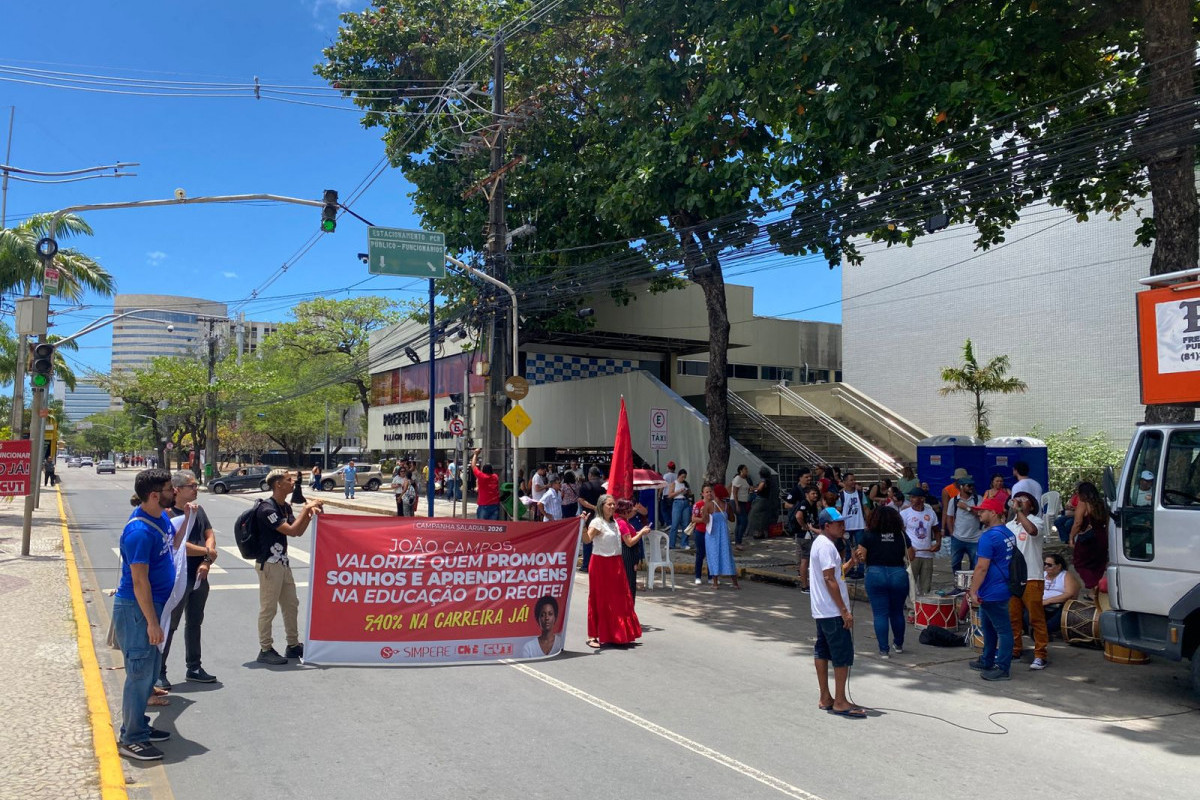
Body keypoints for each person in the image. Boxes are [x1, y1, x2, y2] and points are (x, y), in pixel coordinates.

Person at [113, 468, 188, 761]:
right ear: (155, 495)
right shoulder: (139, 532)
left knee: (149, 674)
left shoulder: (161, 520)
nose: (175, 492)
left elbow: (172, 544)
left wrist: (189, 520)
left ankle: (139, 727)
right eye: (171, 489)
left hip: (157, 606)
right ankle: (130, 738)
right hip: (139, 610)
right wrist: (153, 623)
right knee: (139, 673)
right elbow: (139, 581)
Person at [255, 469, 323, 665]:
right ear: (278, 484)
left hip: (283, 563)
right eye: (288, 479)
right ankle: (265, 648)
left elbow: (298, 531)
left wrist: (309, 513)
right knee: (269, 608)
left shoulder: (284, 506)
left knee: (291, 604)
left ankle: (292, 645)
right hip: (269, 564)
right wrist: (305, 508)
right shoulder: (267, 509)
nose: (292, 482)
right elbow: (290, 530)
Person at [158, 471, 218, 691]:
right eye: (192, 486)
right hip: (176, 578)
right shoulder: (168, 513)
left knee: (195, 622)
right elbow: (179, 545)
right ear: (177, 489)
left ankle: (194, 667)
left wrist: (206, 559)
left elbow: (209, 534)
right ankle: (159, 672)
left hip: (199, 574)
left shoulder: (198, 510)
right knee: (170, 625)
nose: (196, 489)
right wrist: (208, 552)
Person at [809, 508, 865, 718]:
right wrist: (844, 611)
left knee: (822, 650)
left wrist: (851, 563)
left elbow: (835, 573)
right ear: (826, 526)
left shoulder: (824, 545)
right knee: (842, 654)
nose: (843, 526)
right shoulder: (825, 546)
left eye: (843, 522)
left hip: (822, 609)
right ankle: (840, 700)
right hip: (832, 610)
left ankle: (826, 697)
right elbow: (829, 579)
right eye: (838, 523)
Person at [583, 495, 643, 648]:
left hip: (616, 563)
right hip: (600, 563)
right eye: (608, 504)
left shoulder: (615, 523)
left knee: (619, 599)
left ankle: (616, 633)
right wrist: (583, 525)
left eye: (613, 504)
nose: (611, 507)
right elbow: (587, 540)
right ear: (601, 506)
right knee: (599, 599)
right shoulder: (597, 522)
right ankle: (592, 636)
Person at [966, 496, 1015, 681]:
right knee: (988, 626)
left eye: (983, 511)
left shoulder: (989, 537)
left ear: (994, 513)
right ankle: (987, 659)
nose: (979, 513)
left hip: (992, 591)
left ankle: (1002, 667)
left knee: (1003, 629)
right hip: (1001, 587)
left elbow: (981, 567)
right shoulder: (1007, 533)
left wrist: (973, 590)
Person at [856, 505, 913, 658]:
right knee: (897, 612)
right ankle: (899, 644)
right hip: (898, 573)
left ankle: (883, 649)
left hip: (875, 573)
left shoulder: (868, 535)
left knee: (880, 613)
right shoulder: (901, 534)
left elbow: (862, 556)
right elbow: (911, 555)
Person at [1006, 491, 1048, 669]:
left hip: (1032, 576)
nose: (1020, 502)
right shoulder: (1009, 525)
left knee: (1035, 618)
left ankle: (1041, 654)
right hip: (1013, 578)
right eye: (1018, 499)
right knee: (1013, 617)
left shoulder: (1036, 521)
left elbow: (1032, 531)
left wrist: (1020, 512)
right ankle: (1015, 648)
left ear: (1031, 505)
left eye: (1024, 500)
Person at [1070, 481, 1110, 593]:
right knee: (1098, 564)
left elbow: (1078, 522)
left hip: (1088, 539)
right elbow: (1108, 522)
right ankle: (1096, 590)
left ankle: (1093, 588)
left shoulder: (1083, 504)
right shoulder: (1102, 503)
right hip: (1102, 537)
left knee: (1080, 564)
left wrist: (1071, 537)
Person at [900, 485, 941, 594]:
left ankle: (924, 608)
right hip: (912, 554)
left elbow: (936, 530)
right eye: (911, 497)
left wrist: (938, 543)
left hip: (927, 554)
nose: (911, 500)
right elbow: (900, 532)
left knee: (926, 586)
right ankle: (911, 608)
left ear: (922, 499)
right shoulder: (905, 513)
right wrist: (906, 547)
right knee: (910, 584)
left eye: (914, 497)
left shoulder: (930, 512)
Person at [702, 483, 740, 589]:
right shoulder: (727, 506)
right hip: (724, 535)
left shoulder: (709, 505)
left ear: (715, 493)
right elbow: (732, 519)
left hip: (712, 535)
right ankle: (735, 583)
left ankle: (715, 583)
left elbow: (705, 520)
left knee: (713, 556)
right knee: (727, 556)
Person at [616, 498, 650, 602]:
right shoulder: (622, 523)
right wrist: (641, 533)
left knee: (631, 583)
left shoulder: (626, 522)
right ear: (625, 511)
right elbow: (629, 542)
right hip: (627, 554)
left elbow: (632, 535)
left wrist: (641, 531)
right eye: (631, 510)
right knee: (629, 584)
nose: (633, 511)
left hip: (631, 554)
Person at [945, 475, 982, 571]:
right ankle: (958, 584)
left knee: (975, 565)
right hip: (958, 538)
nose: (971, 487)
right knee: (955, 564)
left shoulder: (978, 499)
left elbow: (980, 514)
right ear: (961, 487)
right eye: (968, 485)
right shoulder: (954, 501)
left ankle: (972, 584)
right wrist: (951, 532)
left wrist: (967, 508)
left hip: (975, 539)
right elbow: (949, 517)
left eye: (972, 485)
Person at [1041, 553, 1080, 636]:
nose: (1046, 567)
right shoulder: (1042, 574)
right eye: (1044, 564)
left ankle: (1044, 630)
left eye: (1049, 565)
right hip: (1041, 603)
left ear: (1059, 566)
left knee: (1062, 612)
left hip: (1059, 604)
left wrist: (1049, 601)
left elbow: (1070, 593)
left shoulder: (1065, 575)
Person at [837, 472, 867, 576]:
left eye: (854, 479)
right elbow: (838, 510)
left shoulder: (860, 494)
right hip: (847, 526)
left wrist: (868, 523)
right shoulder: (841, 495)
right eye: (851, 480)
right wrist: (840, 525)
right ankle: (848, 569)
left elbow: (866, 508)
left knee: (860, 548)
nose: (853, 482)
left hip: (859, 525)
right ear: (845, 482)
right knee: (848, 549)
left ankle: (860, 570)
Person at [576, 467, 606, 571]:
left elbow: (581, 500)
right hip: (603, 516)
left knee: (587, 540)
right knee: (601, 539)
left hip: (589, 517)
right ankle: (600, 565)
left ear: (590, 475)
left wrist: (593, 507)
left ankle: (586, 565)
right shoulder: (604, 485)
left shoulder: (585, 485)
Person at [793, 485, 822, 592]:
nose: (815, 495)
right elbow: (798, 516)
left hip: (807, 535)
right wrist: (804, 526)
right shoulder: (804, 504)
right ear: (807, 495)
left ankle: (806, 584)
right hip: (805, 536)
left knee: (805, 560)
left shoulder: (812, 505)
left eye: (816, 493)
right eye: (812, 493)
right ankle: (805, 586)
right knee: (805, 560)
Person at [747, 466, 779, 541]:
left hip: (761, 500)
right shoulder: (771, 481)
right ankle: (762, 532)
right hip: (767, 500)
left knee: (755, 517)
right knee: (763, 517)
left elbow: (759, 489)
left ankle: (758, 533)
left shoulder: (763, 481)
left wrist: (753, 489)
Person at [471, 449, 501, 519]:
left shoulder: (482, 477)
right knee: (492, 527)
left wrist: (476, 454)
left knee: (482, 526)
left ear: (483, 471)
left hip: (484, 505)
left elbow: (473, 466)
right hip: (495, 504)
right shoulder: (495, 477)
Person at [667, 468, 693, 549]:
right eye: (682, 477)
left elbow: (690, 493)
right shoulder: (674, 484)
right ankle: (671, 544)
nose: (683, 479)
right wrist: (679, 491)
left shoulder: (685, 484)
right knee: (675, 524)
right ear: (678, 476)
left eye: (685, 477)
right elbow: (669, 495)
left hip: (685, 502)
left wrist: (687, 492)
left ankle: (684, 543)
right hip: (677, 502)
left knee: (686, 523)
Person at [689, 488, 708, 584]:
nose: (709, 493)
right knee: (700, 554)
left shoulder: (714, 504)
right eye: (707, 492)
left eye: (710, 491)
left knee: (711, 554)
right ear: (702, 493)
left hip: (711, 532)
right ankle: (698, 576)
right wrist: (704, 519)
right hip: (700, 531)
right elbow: (693, 519)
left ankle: (711, 577)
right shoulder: (698, 504)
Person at [730, 463, 751, 547]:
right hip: (737, 502)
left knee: (740, 522)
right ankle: (738, 541)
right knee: (743, 521)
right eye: (745, 469)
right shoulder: (737, 479)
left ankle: (738, 540)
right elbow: (735, 492)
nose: (747, 471)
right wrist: (737, 504)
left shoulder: (744, 479)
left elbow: (746, 488)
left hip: (743, 501)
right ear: (741, 471)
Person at [660, 460, 678, 528]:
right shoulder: (677, 476)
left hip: (666, 494)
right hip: (673, 494)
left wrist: (659, 494)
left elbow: (663, 485)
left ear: (668, 468)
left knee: (664, 509)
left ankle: (669, 523)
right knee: (671, 509)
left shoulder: (666, 476)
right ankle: (673, 523)